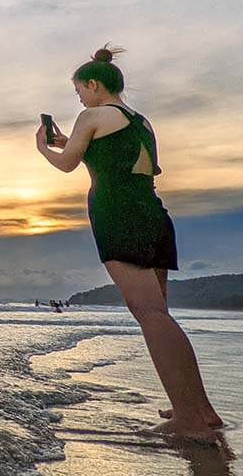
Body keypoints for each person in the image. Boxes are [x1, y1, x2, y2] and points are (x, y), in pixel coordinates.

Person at [35, 45, 223, 440]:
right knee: (161, 315)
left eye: (79, 92)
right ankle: (199, 408)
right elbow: (133, 164)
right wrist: (73, 141)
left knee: (151, 316)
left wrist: (44, 149)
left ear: (93, 84)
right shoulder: (140, 121)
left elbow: (69, 164)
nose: (80, 100)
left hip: (120, 217)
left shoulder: (92, 114)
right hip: (153, 214)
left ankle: (189, 420)